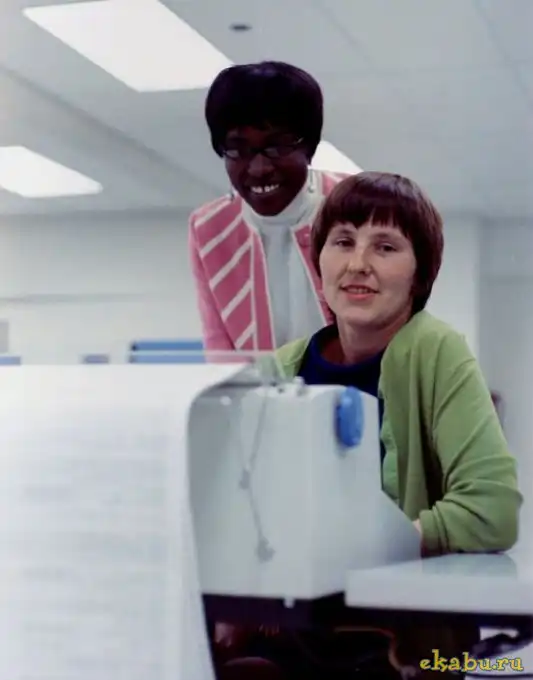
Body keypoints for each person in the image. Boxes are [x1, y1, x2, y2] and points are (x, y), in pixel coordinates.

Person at [217, 172, 523, 679]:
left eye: (385, 246)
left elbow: (492, 510)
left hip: (404, 644)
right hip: (293, 631)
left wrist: (365, 550)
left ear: (419, 275)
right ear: (320, 261)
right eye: (343, 242)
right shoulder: (281, 368)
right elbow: (246, 512)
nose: (358, 263)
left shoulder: (437, 350)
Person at [188, 60, 347, 353]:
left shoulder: (357, 204)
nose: (259, 168)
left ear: (309, 146)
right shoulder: (209, 228)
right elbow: (219, 344)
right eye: (238, 149)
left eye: (278, 146)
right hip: (261, 383)